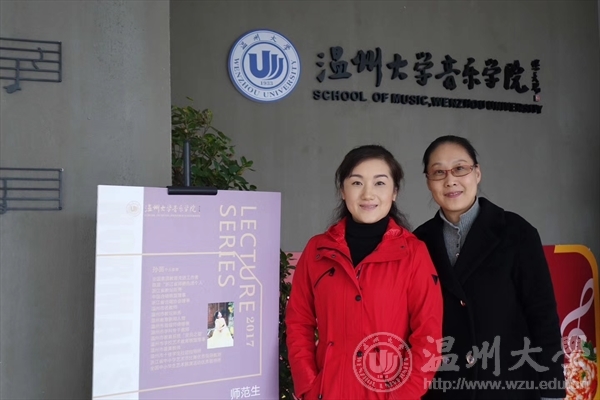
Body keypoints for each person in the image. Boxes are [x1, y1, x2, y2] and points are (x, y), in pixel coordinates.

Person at [413, 135, 566, 400]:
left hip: (509, 385)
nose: (450, 180)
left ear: (477, 173)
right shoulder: (418, 242)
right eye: (438, 172)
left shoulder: (516, 232)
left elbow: (542, 315)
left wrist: (551, 390)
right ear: (428, 181)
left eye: (460, 168)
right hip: (444, 389)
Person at [285, 144, 444, 400]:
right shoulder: (318, 250)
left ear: (394, 192)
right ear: (343, 190)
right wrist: (308, 386)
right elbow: (298, 322)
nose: (368, 194)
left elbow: (428, 335)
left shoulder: (413, 253)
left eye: (380, 183)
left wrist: (404, 396)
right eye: (357, 183)